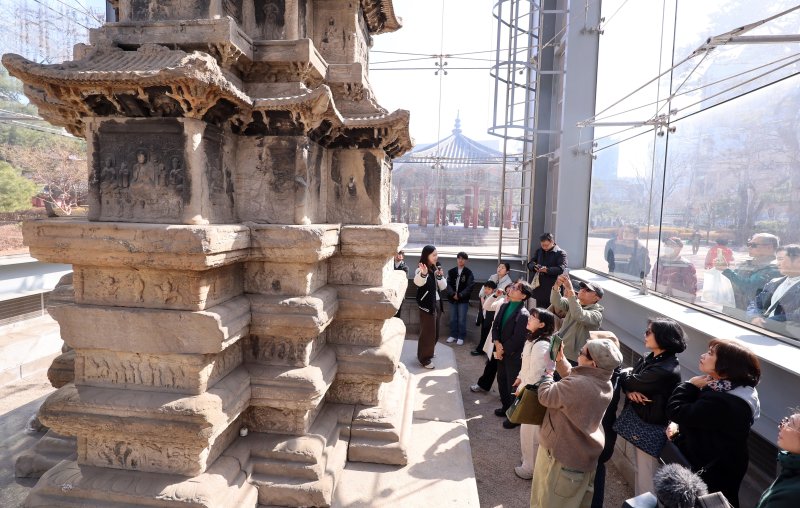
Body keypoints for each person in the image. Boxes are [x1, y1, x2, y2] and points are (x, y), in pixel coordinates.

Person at [666, 338, 762, 507]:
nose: (703, 355)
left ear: (726, 364)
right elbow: (697, 417)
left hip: (712, 470)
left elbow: (676, 410)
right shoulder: (731, 388)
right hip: (722, 464)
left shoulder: (723, 401)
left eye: (710, 353)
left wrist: (689, 385)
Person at [530, 338, 623, 508]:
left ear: (593, 364)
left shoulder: (580, 385)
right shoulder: (603, 381)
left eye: (582, 352)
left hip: (562, 458)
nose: (578, 353)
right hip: (578, 455)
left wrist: (549, 369)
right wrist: (560, 360)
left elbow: (545, 396)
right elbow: (574, 377)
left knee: (548, 503)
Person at [619, 318, 687, 496]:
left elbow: (629, 378)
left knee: (647, 477)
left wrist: (628, 380)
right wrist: (629, 390)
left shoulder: (665, 369)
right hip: (643, 421)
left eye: (649, 332)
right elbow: (630, 379)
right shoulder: (652, 358)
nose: (645, 335)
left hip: (652, 427)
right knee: (640, 471)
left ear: (663, 337)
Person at [511, 308, 556, 479]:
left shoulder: (541, 345)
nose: (529, 318)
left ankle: (530, 468)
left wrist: (522, 390)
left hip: (534, 394)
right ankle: (528, 461)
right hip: (529, 390)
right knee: (527, 430)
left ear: (542, 324)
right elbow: (527, 367)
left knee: (531, 432)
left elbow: (537, 374)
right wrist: (519, 378)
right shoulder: (533, 340)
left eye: (534, 317)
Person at [491, 280, 533, 429]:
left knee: (513, 385)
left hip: (513, 355)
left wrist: (502, 349)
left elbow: (518, 338)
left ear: (523, 296)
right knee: (501, 380)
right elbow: (495, 326)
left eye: (516, 288)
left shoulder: (524, 314)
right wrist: (497, 343)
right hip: (501, 351)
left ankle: (514, 416)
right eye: (513, 287)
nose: (512, 289)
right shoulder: (504, 306)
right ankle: (505, 407)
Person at [550, 275, 604, 364]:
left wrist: (570, 290)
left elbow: (578, 315)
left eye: (588, 290)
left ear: (597, 298)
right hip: (557, 346)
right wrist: (557, 285)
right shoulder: (575, 303)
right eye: (582, 287)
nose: (583, 290)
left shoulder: (597, 315)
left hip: (572, 357)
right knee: (548, 371)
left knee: (563, 373)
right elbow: (555, 301)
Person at [720, 233, 780, 310]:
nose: (749, 247)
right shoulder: (747, 264)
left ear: (769, 247)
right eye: (749, 244)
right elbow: (731, 282)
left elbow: (750, 287)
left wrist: (725, 270)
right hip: (733, 308)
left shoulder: (775, 268)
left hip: (750, 313)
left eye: (753, 245)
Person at [748, 245, 800, 332]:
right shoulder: (774, 282)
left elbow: (796, 316)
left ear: (798, 261)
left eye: (780, 259)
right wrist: (754, 317)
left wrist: (765, 322)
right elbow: (756, 302)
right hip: (761, 329)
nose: (777, 263)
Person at [470, 283, 511, 392]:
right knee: (491, 364)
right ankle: (483, 385)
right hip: (497, 341)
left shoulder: (520, 309)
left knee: (507, 370)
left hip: (509, 344)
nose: (508, 294)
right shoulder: (501, 302)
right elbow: (486, 306)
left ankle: (507, 395)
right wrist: (495, 295)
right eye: (507, 291)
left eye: (511, 291)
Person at [755, 409, 800, 507]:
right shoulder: (790, 467)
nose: (780, 426)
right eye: (786, 420)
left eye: (789, 423)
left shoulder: (792, 495)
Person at [414, 245, 447, 369]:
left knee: (435, 332)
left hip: (436, 303)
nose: (436, 257)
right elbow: (418, 282)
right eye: (433, 255)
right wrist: (423, 274)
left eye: (436, 254)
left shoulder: (435, 268)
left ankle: (429, 351)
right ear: (426, 255)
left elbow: (443, 287)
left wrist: (440, 276)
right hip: (427, 305)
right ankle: (424, 359)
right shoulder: (421, 268)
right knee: (428, 333)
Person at [471, 262, 513, 355]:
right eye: (499, 267)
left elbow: (500, 297)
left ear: (507, 271)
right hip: (485, 304)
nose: (499, 269)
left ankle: (486, 350)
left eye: (502, 268)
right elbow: (484, 288)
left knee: (490, 329)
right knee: (484, 327)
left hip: (494, 308)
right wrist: (482, 297)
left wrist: (488, 302)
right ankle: (481, 348)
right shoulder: (493, 276)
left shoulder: (508, 282)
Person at [526, 233, 568, 308]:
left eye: (546, 245)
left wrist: (547, 270)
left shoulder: (560, 253)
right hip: (540, 287)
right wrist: (534, 267)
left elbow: (561, 268)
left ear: (552, 242)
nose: (544, 247)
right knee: (540, 309)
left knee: (552, 309)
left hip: (552, 286)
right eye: (543, 245)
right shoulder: (539, 251)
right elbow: (530, 263)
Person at [445, 252, 475, 346]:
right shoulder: (451, 271)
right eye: (459, 258)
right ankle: (453, 335)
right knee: (452, 318)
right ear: (457, 259)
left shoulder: (469, 272)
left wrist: (460, 295)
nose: (460, 260)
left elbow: (470, 286)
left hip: (463, 300)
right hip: (452, 299)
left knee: (462, 319)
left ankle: (461, 336)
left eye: (463, 259)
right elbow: (447, 284)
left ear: (466, 260)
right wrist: (453, 294)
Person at [655, 237, 697, 303]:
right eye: (666, 245)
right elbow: (654, 281)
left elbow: (691, 289)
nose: (667, 247)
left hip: (676, 301)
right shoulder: (660, 261)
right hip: (658, 297)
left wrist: (687, 304)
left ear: (679, 248)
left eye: (671, 245)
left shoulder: (686, 265)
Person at [472, 280, 498, 356]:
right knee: (483, 335)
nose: (486, 290)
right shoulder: (483, 296)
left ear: (493, 290)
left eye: (489, 289)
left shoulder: (494, 298)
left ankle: (482, 350)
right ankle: (481, 350)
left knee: (488, 336)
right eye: (485, 288)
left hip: (491, 320)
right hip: (484, 318)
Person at [394, 251, 408, 318]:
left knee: (398, 310)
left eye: (400, 254)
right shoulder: (390, 265)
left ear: (403, 257)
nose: (398, 256)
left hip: (399, 291)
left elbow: (404, 281)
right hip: (390, 289)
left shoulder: (405, 267)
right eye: (397, 254)